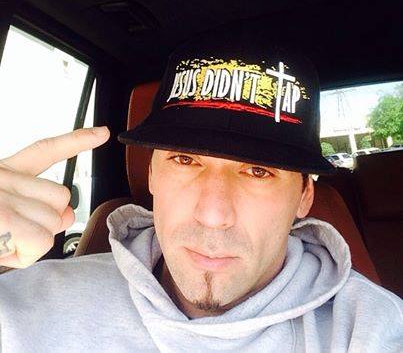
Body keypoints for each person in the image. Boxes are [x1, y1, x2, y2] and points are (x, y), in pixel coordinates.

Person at [0, 23, 401, 352]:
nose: (213, 215)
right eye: (185, 160)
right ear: (151, 174)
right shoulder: (32, 305)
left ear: (304, 196)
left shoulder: (366, 330)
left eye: (258, 172)